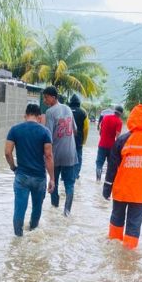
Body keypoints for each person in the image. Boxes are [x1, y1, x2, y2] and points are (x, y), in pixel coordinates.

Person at [102, 104, 142, 249]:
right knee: (134, 225)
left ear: (130, 120)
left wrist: (107, 187)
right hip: (141, 194)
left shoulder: (122, 140)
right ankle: (128, 255)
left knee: (117, 220)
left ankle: (113, 250)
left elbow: (112, 168)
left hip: (121, 191)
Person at [4, 103, 54, 237]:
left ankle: (18, 238)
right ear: (39, 117)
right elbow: (48, 156)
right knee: (36, 209)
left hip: (22, 177)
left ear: (25, 116)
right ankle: (33, 233)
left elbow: (8, 153)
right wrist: (52, 179)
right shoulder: (45, 132)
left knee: (19, 209)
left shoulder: (15, 130)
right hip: (39, 178)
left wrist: (13, 167)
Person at [42, 86, 78, 214]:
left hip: (56, 154)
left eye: (46, 97)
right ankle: (67, 212)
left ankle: (54, 207)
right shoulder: (68, 108)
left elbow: (48, 137)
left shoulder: (50, 112)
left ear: (53, 97)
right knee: (69, 184)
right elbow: (75, 130)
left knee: (53, 181)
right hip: (70, 153)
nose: (45, 100)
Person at [96, 105, 124, 182]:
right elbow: (117, 136)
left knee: (99, 163)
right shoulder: (119, 122)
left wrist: (102, 137)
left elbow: (100, 130)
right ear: (121, 114)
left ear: (114, 111)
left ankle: (98, 180)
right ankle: (107, 181)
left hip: (102, 144)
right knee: (110, 164)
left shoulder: (105, 118)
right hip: (111, 147)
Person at [69, 93, 89, 187]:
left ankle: (64, 175)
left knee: (67, 157)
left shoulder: (66, 111)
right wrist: (84, 141)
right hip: (78, 140)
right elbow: (86, 128)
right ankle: (76, 175)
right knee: (78, 158)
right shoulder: (83, 112)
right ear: (78, 103)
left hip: (66, 139)